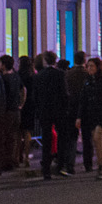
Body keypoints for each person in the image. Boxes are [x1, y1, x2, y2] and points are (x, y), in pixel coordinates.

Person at [76, 59, 102, 180]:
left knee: (98, 139)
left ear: (98, 67)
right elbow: (82, 100)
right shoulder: (88, 81)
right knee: (98, 142)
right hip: (91, 115)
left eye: (92, 66)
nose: (89, 69)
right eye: (88, 66)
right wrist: (79, 117)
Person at [31, 51, 66, 180]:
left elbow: (35, 96)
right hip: (58, 110)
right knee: (61, 137)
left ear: (45, 61)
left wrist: (39, 109)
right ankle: (60, 164)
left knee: (46, 139)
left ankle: (46, 168)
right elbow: (63, 94)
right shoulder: (60, 74)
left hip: (45, 111)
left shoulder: (39, 76)